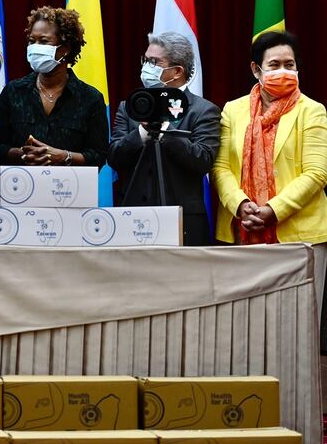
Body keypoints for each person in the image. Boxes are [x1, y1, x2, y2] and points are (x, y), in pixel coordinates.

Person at [212, 30, 327, 350]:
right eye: (274, 64)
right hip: (242, 229)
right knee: (248, 329)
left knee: (299, 330)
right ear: (255, 70)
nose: (283, 71)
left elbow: (317, 173)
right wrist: (242, 205)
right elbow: (220, 168)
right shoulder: (232, 111)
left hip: (301, 236)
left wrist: (272, 210)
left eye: (289, 64)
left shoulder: (312, 111)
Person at [109, 32, 221, 246]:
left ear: (177, 71)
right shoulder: (129, 107)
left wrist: (165, 131)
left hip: (184, 220)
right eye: (145, 60)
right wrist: (141, 134)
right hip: (133, 217)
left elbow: (203, 160)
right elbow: (114, 157)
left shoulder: (204, 110)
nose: (146, 68)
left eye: (154, 62)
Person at [0, 6, 107, 167]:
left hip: (70, 188)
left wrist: (64, 157)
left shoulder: (90, 98)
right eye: (32, 41)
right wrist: (24, 154)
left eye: (44, 41)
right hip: (21, 186)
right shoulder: (13, 91)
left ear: (65, 49)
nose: (35, 47)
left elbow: (98, 156)